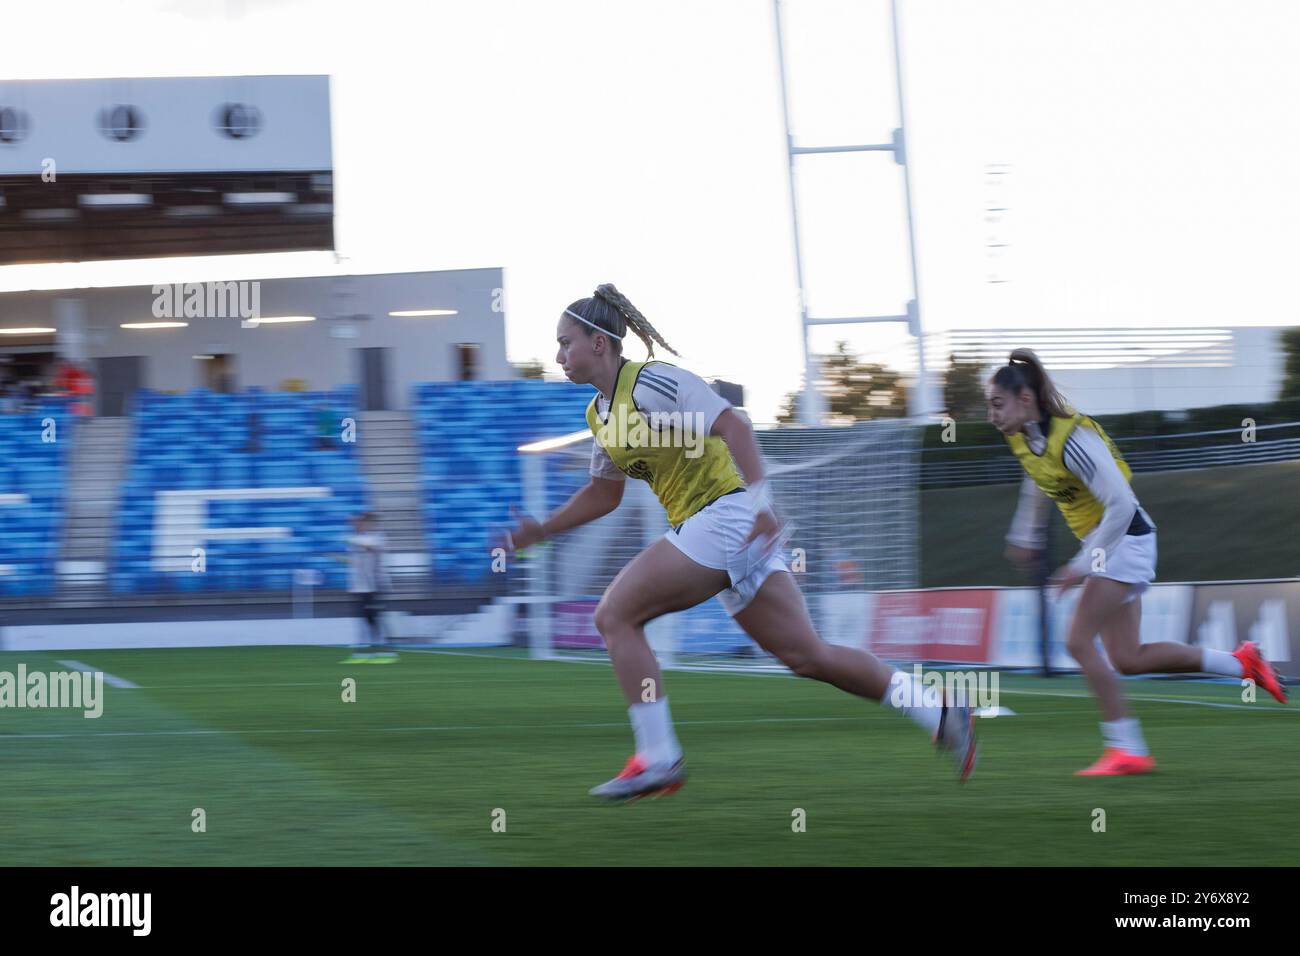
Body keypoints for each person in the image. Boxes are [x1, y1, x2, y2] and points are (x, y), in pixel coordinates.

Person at [494, 283, 977, 802]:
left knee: (614, 615)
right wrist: (543, 530)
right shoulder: (600, 414)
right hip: (724, 529)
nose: (558, 355)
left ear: (600, 342)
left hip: (727, 518)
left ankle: (658, 758)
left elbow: (735, 425)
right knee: (807, 656)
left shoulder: (653, 383)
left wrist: (762, 503)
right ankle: (941, 711)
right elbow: (603, 494)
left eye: (566, 342)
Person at [988, 348, 1287, 776]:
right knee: (1129, 658)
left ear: (1026, 400)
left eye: (997, 404)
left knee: (1077, 641)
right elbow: (1037, 481)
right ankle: (1242, 663)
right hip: (1112, 543)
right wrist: (1024, 533)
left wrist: (1081, 565)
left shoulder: (1074, 440)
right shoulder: (1022, 438)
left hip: (1124, 539)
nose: (991, 414)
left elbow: (1123, 505)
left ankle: (1127, 749)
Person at [342, 512, 394, 662]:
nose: (356, 525)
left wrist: (352, 540)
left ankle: (387, 652)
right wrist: (346, 561)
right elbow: (358, 560)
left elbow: (371, 548)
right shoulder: (359, 538)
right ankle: (363, 653)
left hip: (375, 584)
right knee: (364, 619)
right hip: (360, 586)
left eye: (360, 522)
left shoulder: (377, 537)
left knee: (375, 619)